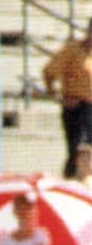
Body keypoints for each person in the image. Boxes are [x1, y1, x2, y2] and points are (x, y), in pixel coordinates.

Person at [44, 20, 92, 177]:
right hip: (77, 106)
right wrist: (56, 95)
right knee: (78, 148)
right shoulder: (73, 50)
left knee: (89, 149)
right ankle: (71, 180)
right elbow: (49, 72)